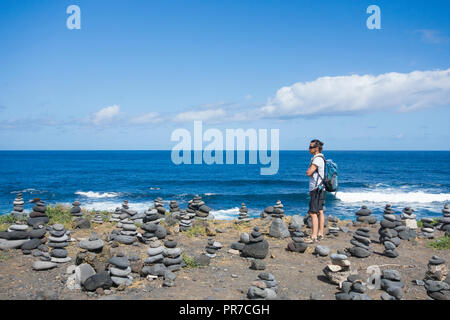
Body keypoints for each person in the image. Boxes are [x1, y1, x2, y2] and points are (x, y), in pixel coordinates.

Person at [304, 139, 326, 243]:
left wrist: (308, 170)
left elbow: (309, 172)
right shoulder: (321, 158)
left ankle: (313, 237)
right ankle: (320, 233)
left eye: (311, 147)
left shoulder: (317, 159)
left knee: (313, 212)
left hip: (316, 188)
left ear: (316, 148)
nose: (309, 149)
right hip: (322, 188)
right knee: (320, 211)